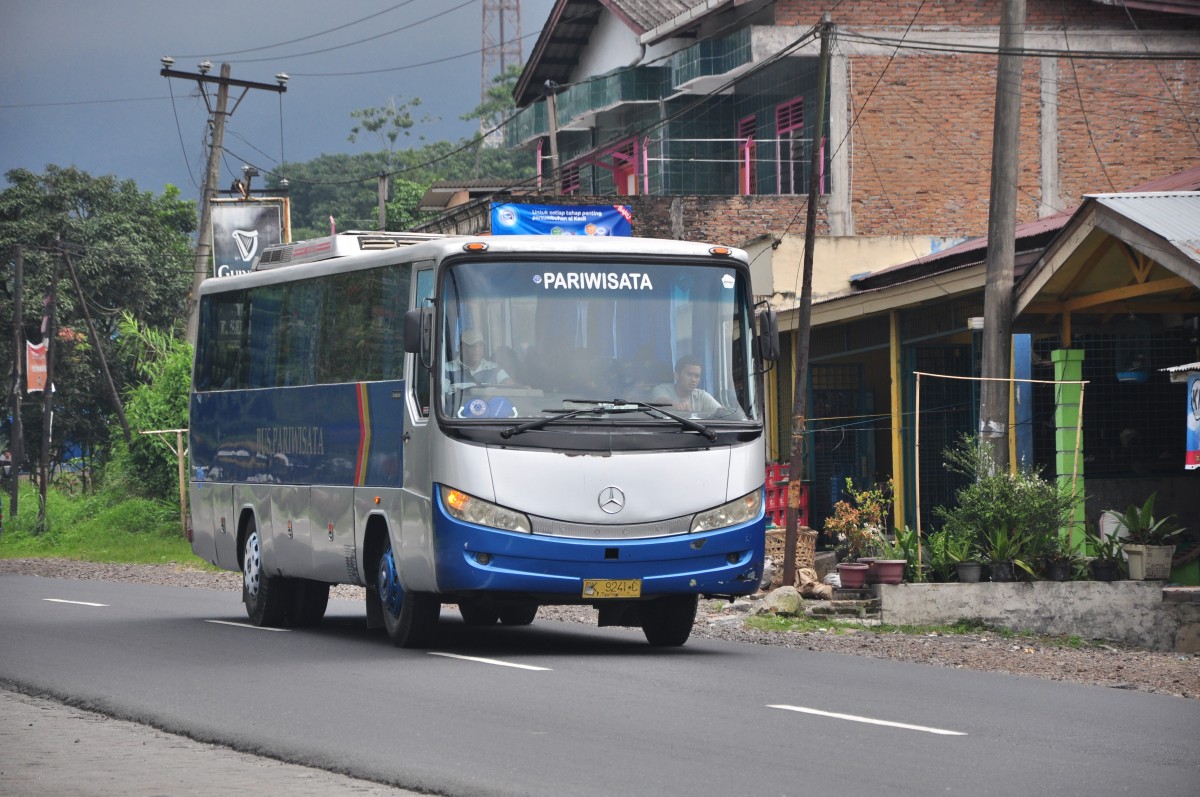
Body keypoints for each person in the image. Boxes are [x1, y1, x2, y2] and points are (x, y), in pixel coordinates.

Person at [650, 355, 721, 415]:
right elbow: (661, 401)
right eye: (689, 374)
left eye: (697, 376)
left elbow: (722, 413)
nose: (693, 380)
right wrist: (676, 406)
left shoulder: (701, 396)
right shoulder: (661, 389)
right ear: (676, 375)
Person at [445, 329, 514, 385]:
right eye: (472, 346)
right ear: (460, 348)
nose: (477, 349)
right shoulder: (446, 369)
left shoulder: (494, 368)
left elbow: (510, 387)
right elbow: (441, 394)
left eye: (480, 345)